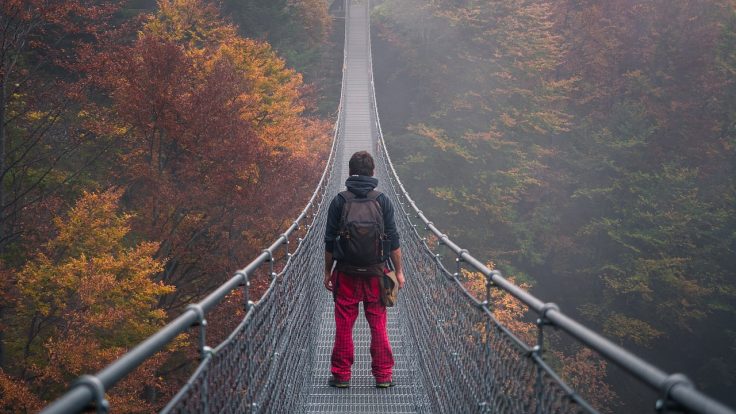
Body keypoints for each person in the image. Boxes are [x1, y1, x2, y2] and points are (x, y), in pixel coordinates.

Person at [323, 150, 405, 389]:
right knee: (378, 324)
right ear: (373, 172)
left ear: (349, 172)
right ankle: (383, 376)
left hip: (346, 273)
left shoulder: (339, 200)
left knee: (344, 325)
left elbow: (329, 242)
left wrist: (328, 272)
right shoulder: (382, 200)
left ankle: (341, 376)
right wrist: (398, 272)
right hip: (377, 274)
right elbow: (394, 241)